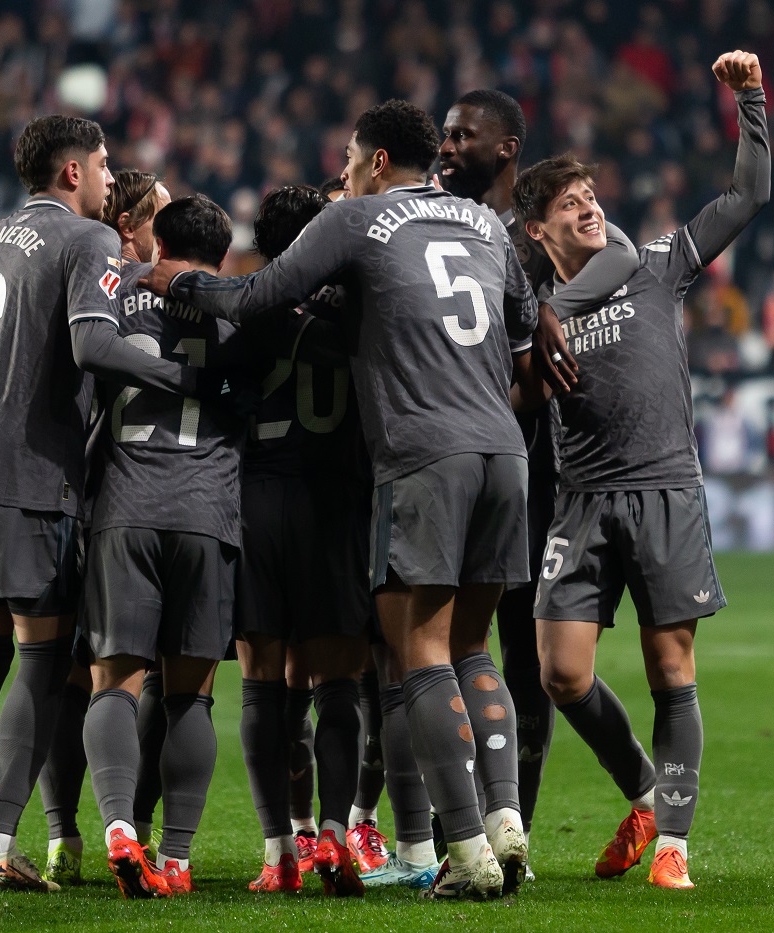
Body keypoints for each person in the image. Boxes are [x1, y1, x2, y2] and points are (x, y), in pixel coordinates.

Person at [143, 99, 537, 901]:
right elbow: (526, 324)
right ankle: (505, 817)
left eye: (352, 161)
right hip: (504, 449)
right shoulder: (483, 224)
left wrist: (178, 279)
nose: (347, 175)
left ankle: (466, 851)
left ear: (378, 161)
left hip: (424, 453)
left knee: (418, 650)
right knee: (474, 645)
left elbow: (258, 296)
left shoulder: (357, 219)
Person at [0, 115, 207, 894]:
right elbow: (92, 345)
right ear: (73, 171)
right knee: (44, 661)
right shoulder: (88, 240)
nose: (112, 180)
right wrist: (186, 381)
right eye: (106, 165)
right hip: (28, 474)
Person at [513, 50, 771, 891]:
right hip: (580, 500)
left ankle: (674, 847)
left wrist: (750, 100)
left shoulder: (659, 263)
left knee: (671, 668)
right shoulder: (527, 308)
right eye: (568, 204)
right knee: (562, 673)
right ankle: (645, 792)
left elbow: (747, 196)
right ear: (537, 230)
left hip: (664, 490)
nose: (588, 207)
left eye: (590, 196)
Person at [436, 86, 640, 879]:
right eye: (446, 136)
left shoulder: (524, 251)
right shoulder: (445, 229)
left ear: (506, 149)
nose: (450, 148)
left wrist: (554, 302)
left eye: (464, 136)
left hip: (534, 481)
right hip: (469, 466)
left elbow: (621, 250)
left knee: (513, 661)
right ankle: (440, 832)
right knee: (447, 652)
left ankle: (507, 828)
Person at [80, 194, 251, 898]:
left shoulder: (115, 296)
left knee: (114, 684)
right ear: (223, 255)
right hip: (207, 513)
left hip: (125, 510)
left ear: (157, 242)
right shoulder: (240, 310)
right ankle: (176, 858)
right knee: (191, 697)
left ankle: (121, 827)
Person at [233, 185, 379, 895]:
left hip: (257, 505)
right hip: (335, 507)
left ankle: (278, 851)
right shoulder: (357, 317)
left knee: (262, 687)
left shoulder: (247, 314)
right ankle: (333, 833)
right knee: (339, 684)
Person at [34, 169, 173, 889]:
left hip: (84, 501)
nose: (170, 227)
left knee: (73, 675)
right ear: (129, 228)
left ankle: (66, 834)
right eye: (161, 215)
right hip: (126, 502)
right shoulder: (148, 291)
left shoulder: (85, 286)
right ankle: (131, 827)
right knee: (142, 674)